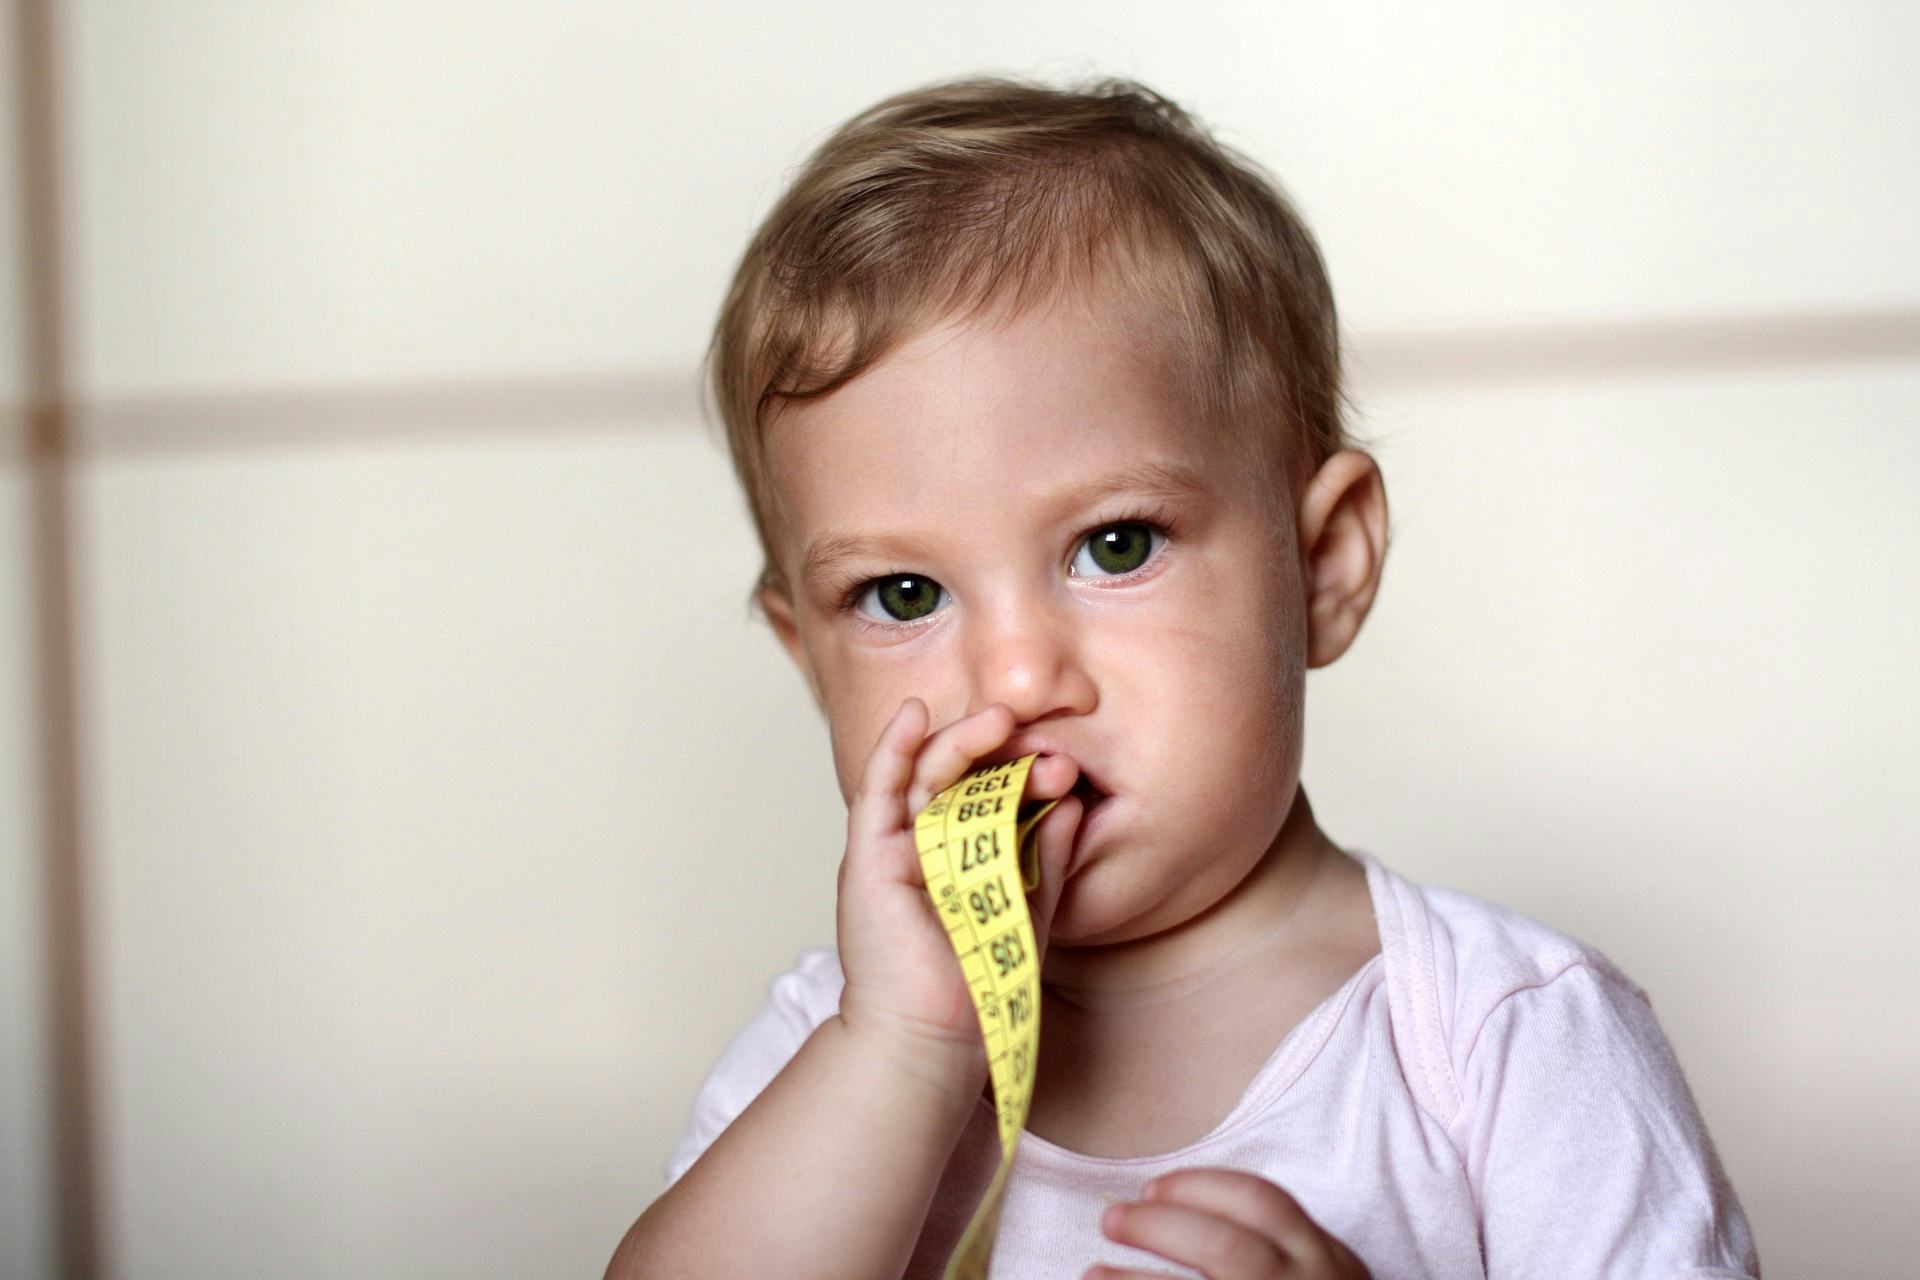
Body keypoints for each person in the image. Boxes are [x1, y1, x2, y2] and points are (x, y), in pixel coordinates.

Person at [604, 74, 1760, 1280]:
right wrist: (902, 1048)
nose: (1014, 673)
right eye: (903, 594)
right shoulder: (831, 1049)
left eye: (1115, 544)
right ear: (808, 660)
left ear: (1322, 565)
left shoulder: (1498, 1040)